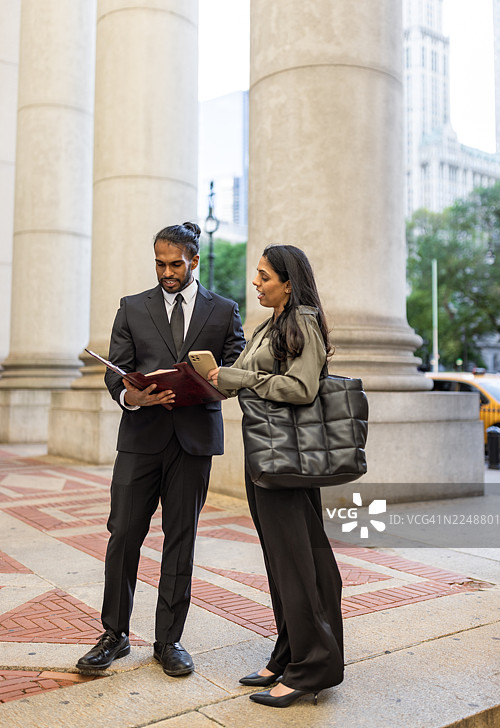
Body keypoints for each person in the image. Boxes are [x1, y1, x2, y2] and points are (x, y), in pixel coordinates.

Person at [77, 222, 245, 677]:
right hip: (141, 439)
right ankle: (114, 634)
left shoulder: (224, 310)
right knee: (124, 535)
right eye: (159, 263)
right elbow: (117, 372)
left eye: (175, 264)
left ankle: (169, 641)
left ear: (194, 260)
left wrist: (216, 380)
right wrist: (134, 396)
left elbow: (237, 368)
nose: (167, 272)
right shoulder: (132, 308)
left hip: (193, 441)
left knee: (181, 539)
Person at [207, 244, 344, 708]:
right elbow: (243, 376)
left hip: (288, 457)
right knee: (280, 558)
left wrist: (240, 380)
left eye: (264, 276)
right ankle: (289, 653)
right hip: (266, 453)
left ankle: (311, 667)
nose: (256, 283)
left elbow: (303, 389)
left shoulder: (302, 319)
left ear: (289, 281)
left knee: (298, 560)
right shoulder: (272, 323)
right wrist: (213, 374)